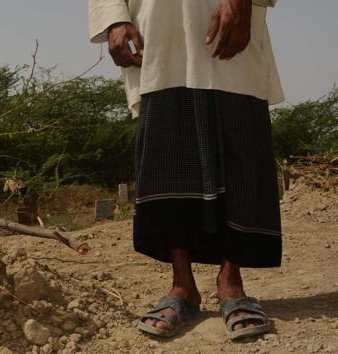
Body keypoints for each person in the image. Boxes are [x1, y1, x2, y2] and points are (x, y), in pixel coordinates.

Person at [88, 0, 283, 340]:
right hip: (157, 24)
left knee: (237, 138)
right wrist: (114, 20)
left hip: (222, 12)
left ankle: (231, 282)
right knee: (170, 155)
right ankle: (182, 286)